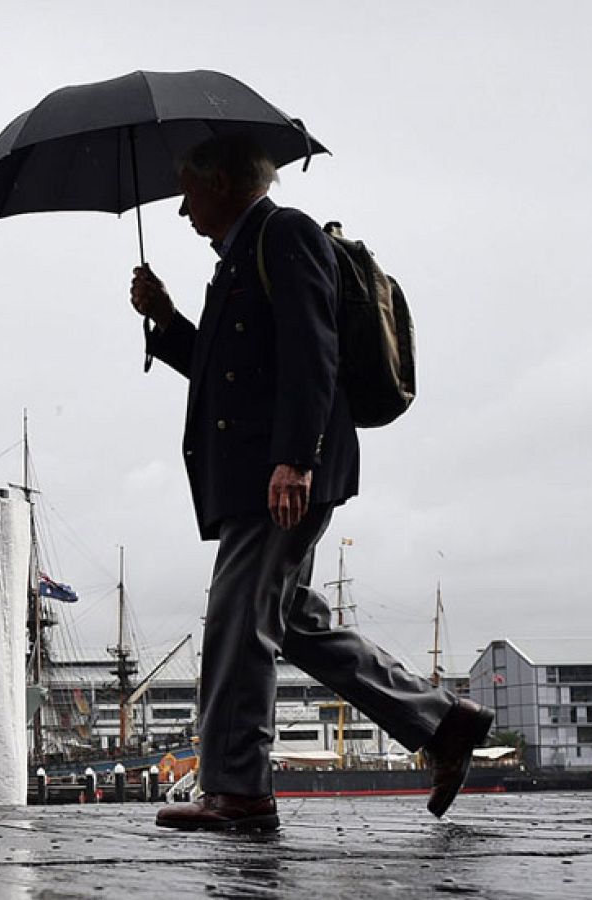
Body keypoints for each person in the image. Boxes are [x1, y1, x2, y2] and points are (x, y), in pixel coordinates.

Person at [130, 134, 493, 832]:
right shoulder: (245, 250)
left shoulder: (284, 233)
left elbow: (312, 351)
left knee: (237, 627)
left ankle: (238, 792)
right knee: (289, 624)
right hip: (266, 475)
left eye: (188, 189)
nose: (180, 209)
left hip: (280, 477)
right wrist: (167, 320)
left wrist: (294, 459)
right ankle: (442, 724)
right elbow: (232, 372)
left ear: (225, 180)